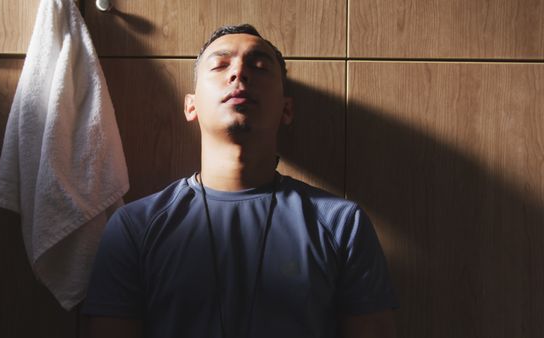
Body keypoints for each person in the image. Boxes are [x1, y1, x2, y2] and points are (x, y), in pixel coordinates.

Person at [82, 24, 398, 338]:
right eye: (220, 65)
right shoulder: (134, 227)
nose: (239, 74)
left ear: (286, 109)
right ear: (191, 105)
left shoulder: (341, 224)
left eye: (258, 66)